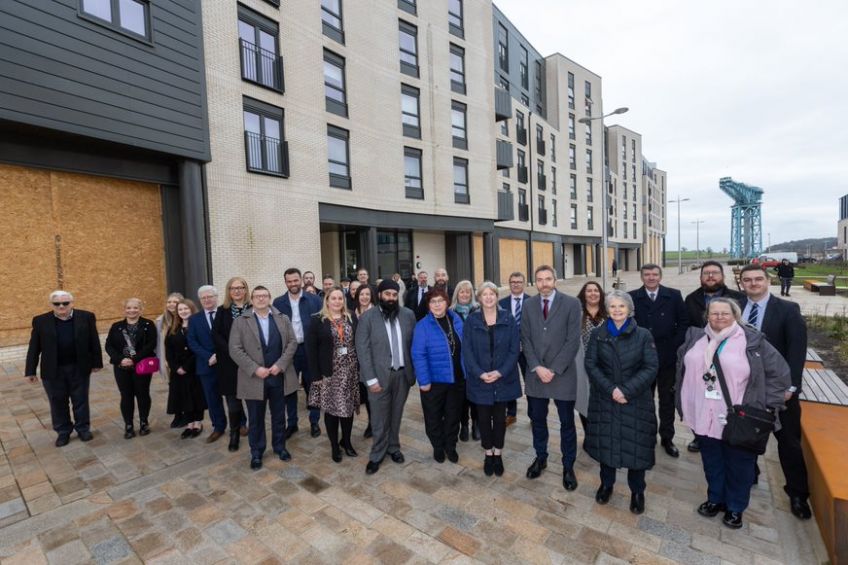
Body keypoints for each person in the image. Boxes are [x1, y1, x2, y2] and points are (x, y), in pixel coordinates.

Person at [676, 297, 790, 529]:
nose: (719, 317)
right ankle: (715, 499)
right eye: (714, 313)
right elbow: (682, 365)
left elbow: (779, 375)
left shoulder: (752, 341)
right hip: (703, 414)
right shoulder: (696, 337)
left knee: (739, 465)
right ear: (707, 315)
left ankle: (735, 507)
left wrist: (768, 406)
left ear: (735, 316)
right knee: (712, 461)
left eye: (724, 313)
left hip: (738, 418)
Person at [738, 264, 812, 520]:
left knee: (789, 442)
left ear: (768, 281)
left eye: (758, 279)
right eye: (747, 280)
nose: (753, 283)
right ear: (741, 283)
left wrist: (791, 387)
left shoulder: (788, 310)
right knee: (746, 435)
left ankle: (798, 494)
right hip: (746, 386)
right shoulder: (736, 306)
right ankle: (750, 474)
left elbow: (796, 351)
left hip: (780, 389)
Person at [584, 290, 658, 515]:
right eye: (613, 306)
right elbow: (591, 364)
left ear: (629, 309)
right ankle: (606, 484)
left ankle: (637, 491)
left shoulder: (643, 335)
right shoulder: (598, 334)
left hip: (634, 400)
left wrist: (626, 390)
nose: (617, 310)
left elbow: (651, 367)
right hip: (605, 399)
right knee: (607, 445)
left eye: (621, 306)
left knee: (636, 448)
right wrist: (611, 389)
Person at [521, 265, 582, 491]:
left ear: (555, 280)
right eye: (539, 279)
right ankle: (541, 457)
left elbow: (573, 340)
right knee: (538, 420)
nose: (544, 283)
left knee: (567, 423)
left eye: (548, 279)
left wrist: (554, 369)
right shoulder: (528, 306)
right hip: (536, 375)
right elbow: (525, 339)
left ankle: (568, 466)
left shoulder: (572, 304)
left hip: (562, 374)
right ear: (535, 282)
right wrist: (537, 366)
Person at [229, 286, 298, 470]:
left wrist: (280, 365)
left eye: (264, 296)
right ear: (251, 299)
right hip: (254, 378)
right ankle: (257, 452)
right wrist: (255, 369)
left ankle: (280, 447)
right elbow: (234, 349)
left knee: (278, 416)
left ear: (269, 298)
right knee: (256, 418)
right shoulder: (240, 321)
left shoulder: (282, 318)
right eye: (257, 296)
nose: (261, 299)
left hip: (277, 376)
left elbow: (292, 343)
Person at [25, 291, 102, 447]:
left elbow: (94, 341)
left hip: (79, 367)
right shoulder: (41, 321)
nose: (61, 306)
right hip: (53, 370)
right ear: (51, 304)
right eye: (57, 304)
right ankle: (63, 431)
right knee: (57, 402)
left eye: (65, 303)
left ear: (72, 303)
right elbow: (34, 347)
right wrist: (30, 370)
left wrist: (96, 362)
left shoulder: (86, 317)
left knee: (80, 400)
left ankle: (83, 429)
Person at [356, 279, 417, 475]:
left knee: (396, 415)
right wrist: (370, 379)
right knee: (379, 419)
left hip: (402, 376)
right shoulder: (368, 318)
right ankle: (376, 454)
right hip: (378, 378)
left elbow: (414, 346)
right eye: (387, 294)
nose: (391, 298)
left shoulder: (408, 315)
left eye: (394, 294)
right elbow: (362, 350)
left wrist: (413, 373)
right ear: (380, 295)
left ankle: (393, 447)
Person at [683, 261, 744, 453]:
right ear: (700, 277)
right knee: (702, 398)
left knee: (727, 399)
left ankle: (734, 435)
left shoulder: (738, 298)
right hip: (701, 357)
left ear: (722, 276)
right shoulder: (691, 298)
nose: (710, 276)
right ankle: (699, 435)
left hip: (729, 358)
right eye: (706, 273)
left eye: (715, 273)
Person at [629, 264, 689, 458]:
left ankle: (667, 438)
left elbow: (683, 323)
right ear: (642, 277)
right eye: (647, 274)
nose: (651, 277)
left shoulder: (674, 295)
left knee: (667, 400)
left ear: (660, 276)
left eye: (655, 274)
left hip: (667, 358)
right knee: (644, 401)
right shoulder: (632, 297)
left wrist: (673, 346)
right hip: (642, 359)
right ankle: (646, 436)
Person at [463, 281, 521, 476]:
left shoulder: (508, 318)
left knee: (500, 418)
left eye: (492, 294)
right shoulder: (472, 320)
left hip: (502, 379)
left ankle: (498, 453)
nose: (488, 297)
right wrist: (480, 373)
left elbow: (515, 350)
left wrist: (500, 372)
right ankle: (488, 453)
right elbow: (467, 351)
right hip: (480, 379)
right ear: (479, 298)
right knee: (484, 419)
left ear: (497, 297)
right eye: (484, 294)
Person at [307, 287, 361, 463]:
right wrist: (316, 375)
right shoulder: (317, 320)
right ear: (327, 301)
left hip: (350, 371)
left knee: (347, 409)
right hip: (329, 372)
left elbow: (358, 343)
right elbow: (311, 351)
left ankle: (346, 441)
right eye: (334, 298)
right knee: (331, 410)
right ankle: (334, 446)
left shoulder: (351, 317)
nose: (337, 301)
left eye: (340, 298)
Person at [411, 288, 465, 463]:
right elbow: (418, 355)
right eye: (433, 302)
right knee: (433, 417)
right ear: (428, 305)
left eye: (440, 300)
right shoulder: (422, 326)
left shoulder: (456, 319)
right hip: (433, 382)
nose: (437, 305)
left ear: (447, 302)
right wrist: (424, 381)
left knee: (453, 416)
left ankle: (451, 446)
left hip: (456, 380)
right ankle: (438, 446)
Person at [273, 268, 324, 439]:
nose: (293, 284)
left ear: (301, 280)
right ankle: (292, 423)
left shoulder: (315, 300)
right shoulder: (278, 302)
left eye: (296, 280)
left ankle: (314, 421)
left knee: (313, 387)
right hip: (289, 352)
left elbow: (321, 324)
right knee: (290, 388)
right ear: (285, 282)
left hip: (310, 350)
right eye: (289, 281)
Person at [105, 298, 158, 439]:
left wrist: (133, 359)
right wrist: (121, 359)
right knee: (126, 396)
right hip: (121, 367)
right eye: (128, 308)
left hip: (141, 366)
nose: (132, 310)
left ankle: (143, 422)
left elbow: (151, 345)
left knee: (143, 394)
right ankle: (128, 425)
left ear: (141, 309)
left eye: (135, 308)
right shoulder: (116, 326)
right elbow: (108, 345)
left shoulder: (148, 324)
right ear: (124, 309)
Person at [212, 277, 250, 452]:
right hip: (229, 363)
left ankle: (255, 432)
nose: (237, 291)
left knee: (253, 402)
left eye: (240, 287)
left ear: (245, 289)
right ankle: (234, 434)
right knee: (233, 403)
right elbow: (216, 335)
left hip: (251, 362)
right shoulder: (223, 311)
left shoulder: (253, 308)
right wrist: (231, 350)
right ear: (228, 291)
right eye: (233, 288)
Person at [187, 285, 227, 443]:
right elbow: (192, 341)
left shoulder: (225, 314)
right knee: (212, 399)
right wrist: (208, 356)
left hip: (226, 363)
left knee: (233, 397)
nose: (207, 300)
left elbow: (232, 337)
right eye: (203, 298)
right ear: (200, 300)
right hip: (206, 365)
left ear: (216, 297)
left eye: (210, 296)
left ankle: (241, 424)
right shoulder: (194, 319)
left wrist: (219, 355)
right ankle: (218, 427)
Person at [165, 299, 206, 439]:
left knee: (196, 396)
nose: (183, 312)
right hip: (178, 371)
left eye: (186, 309)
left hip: (195, 368)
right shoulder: (173, 328)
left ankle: (198, 423)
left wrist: (186, 366)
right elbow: (168, 351)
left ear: (192, 309)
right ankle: (189, 424)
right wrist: (175, 367)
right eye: (180, 309)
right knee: (184, 396)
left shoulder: (199, 326)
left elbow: (199, 348)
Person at [575, 281, 607, 430]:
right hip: (584, 365)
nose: (593, 293)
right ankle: (589, 432)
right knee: (585, 399)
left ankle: (603, 433)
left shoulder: (609, 314)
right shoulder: (577, 315)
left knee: (604, 400)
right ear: (583, 294)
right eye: (589, 291)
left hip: (606, 366)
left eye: (596, 290)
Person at [451, 280, 479, 442]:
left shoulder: (478, 310)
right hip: (458, 361)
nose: (465, 295)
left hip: (476, 360)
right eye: (462, 292)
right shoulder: (451, 312)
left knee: (475, 395)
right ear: (457, 294)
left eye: (468, 292)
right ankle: (464, 425)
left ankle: (476, 424)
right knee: (461, 396)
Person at [499, 271, 529, 427]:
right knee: (508, 381)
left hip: (528, 351)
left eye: (519, 281)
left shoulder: (532, 302)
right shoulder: (501, 303)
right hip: (508, 351)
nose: (516, 284)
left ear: (524, 283)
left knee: (530, 382)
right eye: (513, 282)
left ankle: (533, 414)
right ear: (509, 284)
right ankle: (511, 414)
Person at [351, 283, 376, 438]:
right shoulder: (351, 314)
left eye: (367, 294)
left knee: (372, 394)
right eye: (361, 294)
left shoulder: (377, 313)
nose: (364, 297)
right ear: (357, 296)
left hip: (372, 359)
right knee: (363, 394)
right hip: (355, 360)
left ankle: (373, 424)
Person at [155, 292, 183, 383]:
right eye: (169, 302)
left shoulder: (186, 319)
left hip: (184, 360)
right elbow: (158, 343)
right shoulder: (160, 321)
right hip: (167, 361)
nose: (171, 304)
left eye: (175, 302)